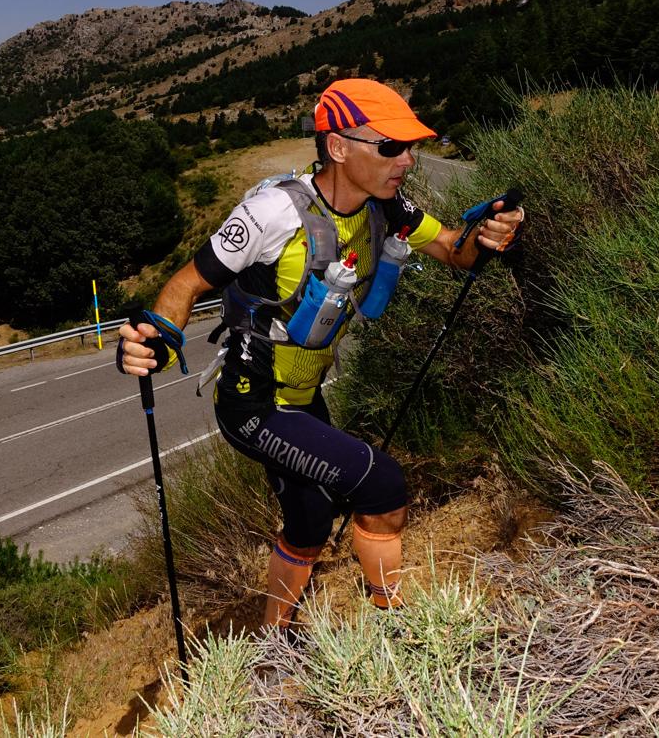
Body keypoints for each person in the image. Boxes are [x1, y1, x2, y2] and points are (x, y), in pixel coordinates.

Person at [117, 78, 524, 629]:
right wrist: (157, 343)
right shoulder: (272, 213)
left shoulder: (388, 206)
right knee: (382, 486)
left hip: (304, 398)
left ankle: (273, 634)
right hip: (252, 403)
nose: (406, 160)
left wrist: (489, 232)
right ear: (338, 147)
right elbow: (187, 284)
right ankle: (398, 627)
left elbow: (457, 252)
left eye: (411, 147)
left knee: (310, 524)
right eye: (390, 147)